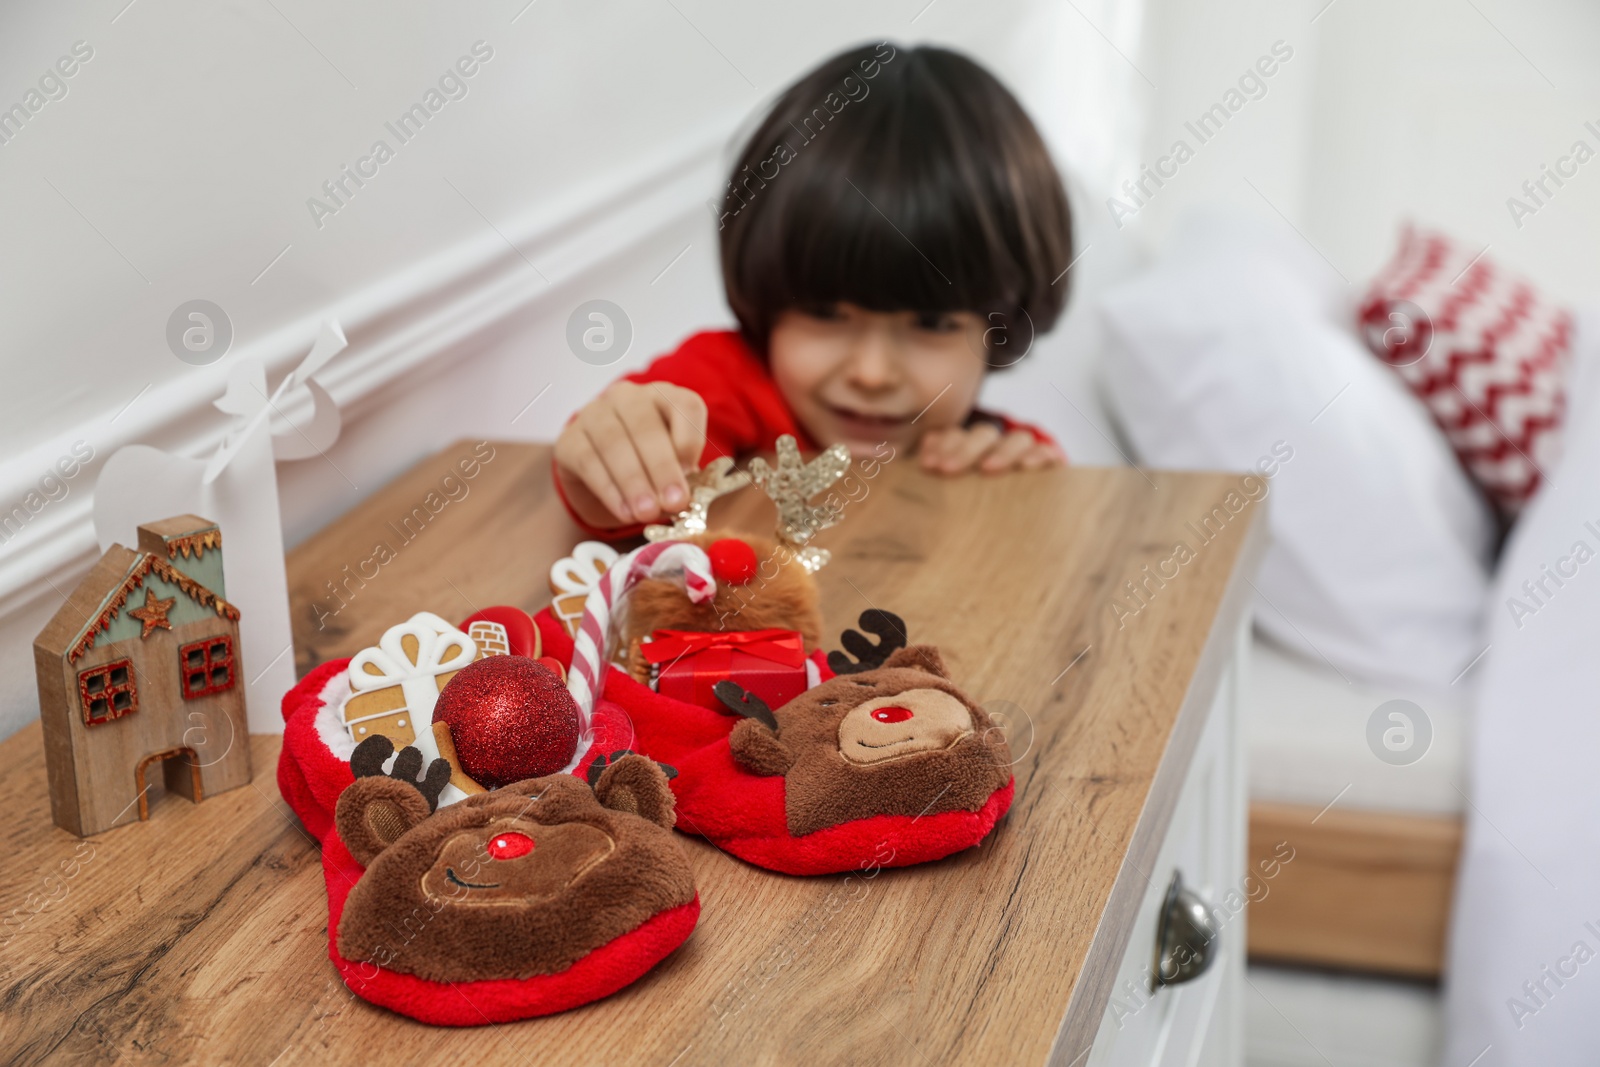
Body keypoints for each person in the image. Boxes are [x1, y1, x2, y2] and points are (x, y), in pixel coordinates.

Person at [554, 41, 1075, 535]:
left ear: (999, 326)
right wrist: (615, 463)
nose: (871, 374)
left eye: (932, 323)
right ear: (770, 301)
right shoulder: (726, 383)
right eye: (826, 312)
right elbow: (626, 472)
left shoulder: (972, 443)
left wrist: (1016, 466)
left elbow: (1043, 521)